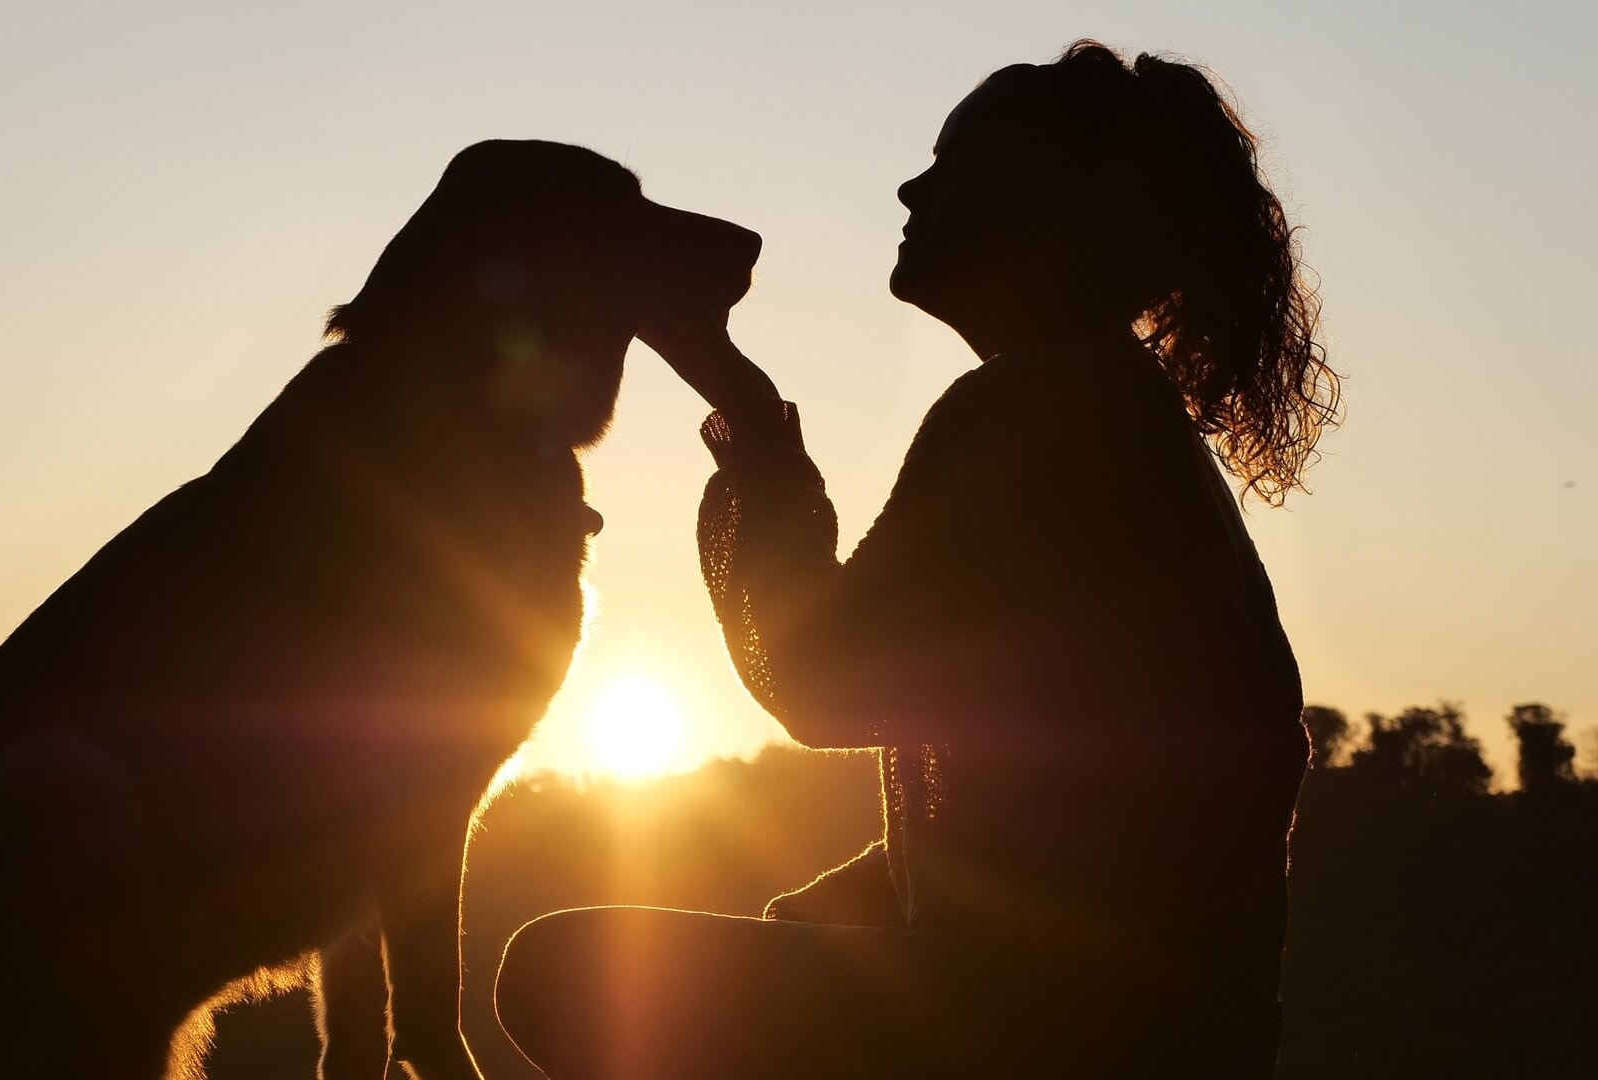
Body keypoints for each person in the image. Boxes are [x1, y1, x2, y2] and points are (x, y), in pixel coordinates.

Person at [492, 40, 1340, 1080]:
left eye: (957, 163)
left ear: (1048, 212)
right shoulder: (1115, 416)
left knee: (560, 968)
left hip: (1068, 1033)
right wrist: (821, 916)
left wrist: (753, 423)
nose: (912, 185)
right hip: (1168, 1031)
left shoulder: (1034, 409)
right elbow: (1067, 802)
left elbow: (821, 682)